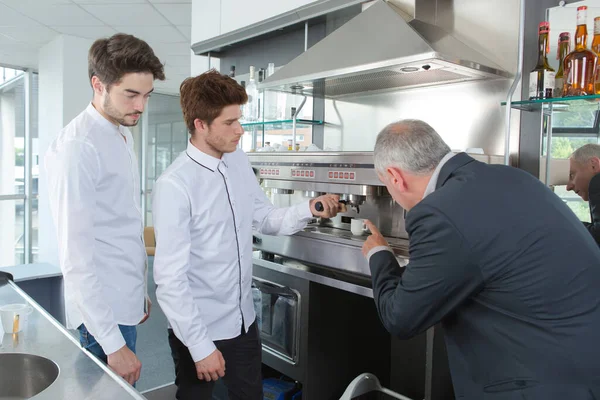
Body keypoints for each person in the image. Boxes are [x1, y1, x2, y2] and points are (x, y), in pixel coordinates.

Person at [361, 119, 600, 399]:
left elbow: (400, 318)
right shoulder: (512, 177)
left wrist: (379, 253)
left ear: (395, 176)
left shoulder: (439, 212)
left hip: (541, 383)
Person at [152, 69, 341, 400]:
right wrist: (199, 347)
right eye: (229, 123)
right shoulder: (175, 185)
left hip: (243, 324)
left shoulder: (237, 159)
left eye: (239, 119)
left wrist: (309, 209)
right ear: (200, 124)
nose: (240, 130)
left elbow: (265, 217)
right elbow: (170, 281)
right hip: (200, 330)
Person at [45, 33, 165, 386]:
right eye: (131, 94)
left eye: (146, 95)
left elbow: (120, 223)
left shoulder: (120, 132)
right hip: (102, 319)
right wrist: (113, 345)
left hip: (122, 301)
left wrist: (137, 291)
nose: (141, 105)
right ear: (98, 85)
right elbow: (76, 258)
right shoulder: (77, 148)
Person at [566, 143, 600, 245]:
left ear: (594, 165)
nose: (568, 187)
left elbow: (598, 236)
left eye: (572, 175)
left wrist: (562, 224)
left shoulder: (597, 182)